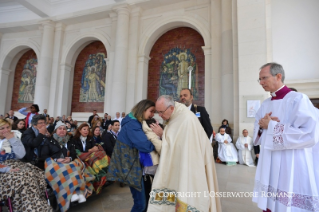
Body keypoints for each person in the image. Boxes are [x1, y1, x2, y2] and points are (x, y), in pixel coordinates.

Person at [253, 62, 319, 212]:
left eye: (264, 78)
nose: (261, 83)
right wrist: (262, 127)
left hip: (291, 160)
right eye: (259, 80)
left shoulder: (298, 99)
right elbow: (258, 128)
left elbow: (309, 133)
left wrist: (271, 126)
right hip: (270, 159)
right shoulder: (265, 103)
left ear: (278, 76)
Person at [147, 95, 221, 212]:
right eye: (158, 112)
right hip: (181, 161)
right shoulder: (176, 114)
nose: (159, 115)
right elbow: (175, 138)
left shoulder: (185, 119)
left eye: (161, 112)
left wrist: (162, 134)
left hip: (190, 163)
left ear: (171, 108)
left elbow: (179, 145)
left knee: (186, 187)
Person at [107, 100, 155, 212]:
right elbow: (145, 146)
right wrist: (158, 139)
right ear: (143, 109)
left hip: (134, 166)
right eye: (151, 111)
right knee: (140, 204)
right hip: (131, 167)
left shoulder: (133, 121)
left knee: (145, 201)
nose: (152, 114)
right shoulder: (132, 124)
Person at [0, 119, 52, 212]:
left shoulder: (14, 137)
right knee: (22, 177)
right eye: (2, 128)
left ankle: (34, 207)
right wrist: (7, 169)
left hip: (16, 164)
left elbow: (21, 155)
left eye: (8, 127)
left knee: (31, 175)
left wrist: (12, 140)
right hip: (2, 169)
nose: (6, 130)